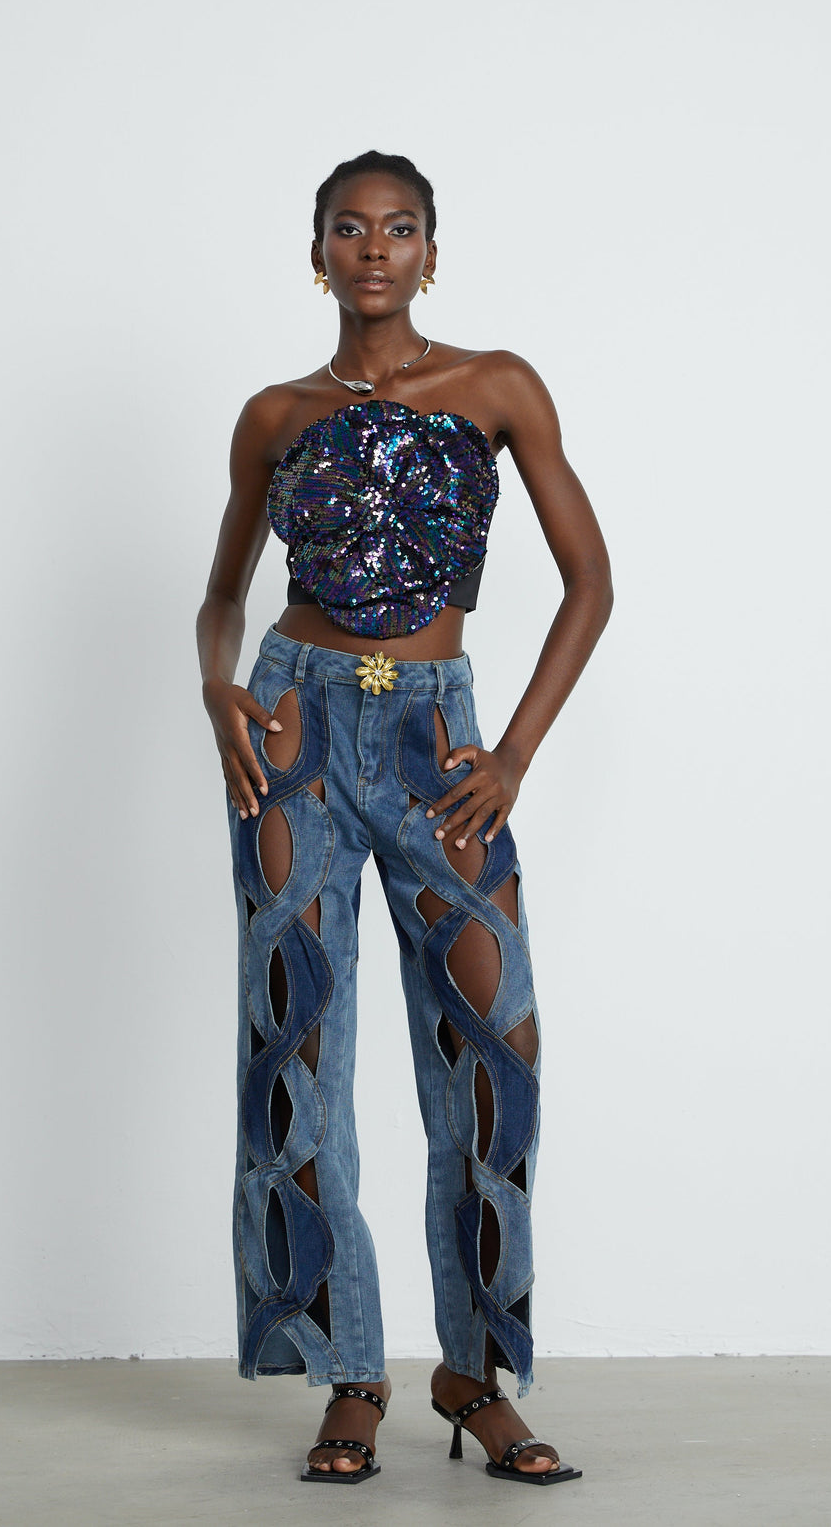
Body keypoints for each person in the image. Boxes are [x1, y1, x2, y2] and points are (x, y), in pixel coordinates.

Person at [198, 150, 612, 1486]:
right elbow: (223, 596)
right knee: (298, 1046)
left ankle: (474, 1375)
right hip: (296, 732)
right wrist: (218, 687)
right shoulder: (275, 415)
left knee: (497, 1049)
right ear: (316, 251)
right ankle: (351, 1372)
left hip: (439, 740)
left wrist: (514, 756)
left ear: (433, 251)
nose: (373, 247)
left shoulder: (496, 387)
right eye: (348, 227)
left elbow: (591, 583)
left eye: (399, 228)